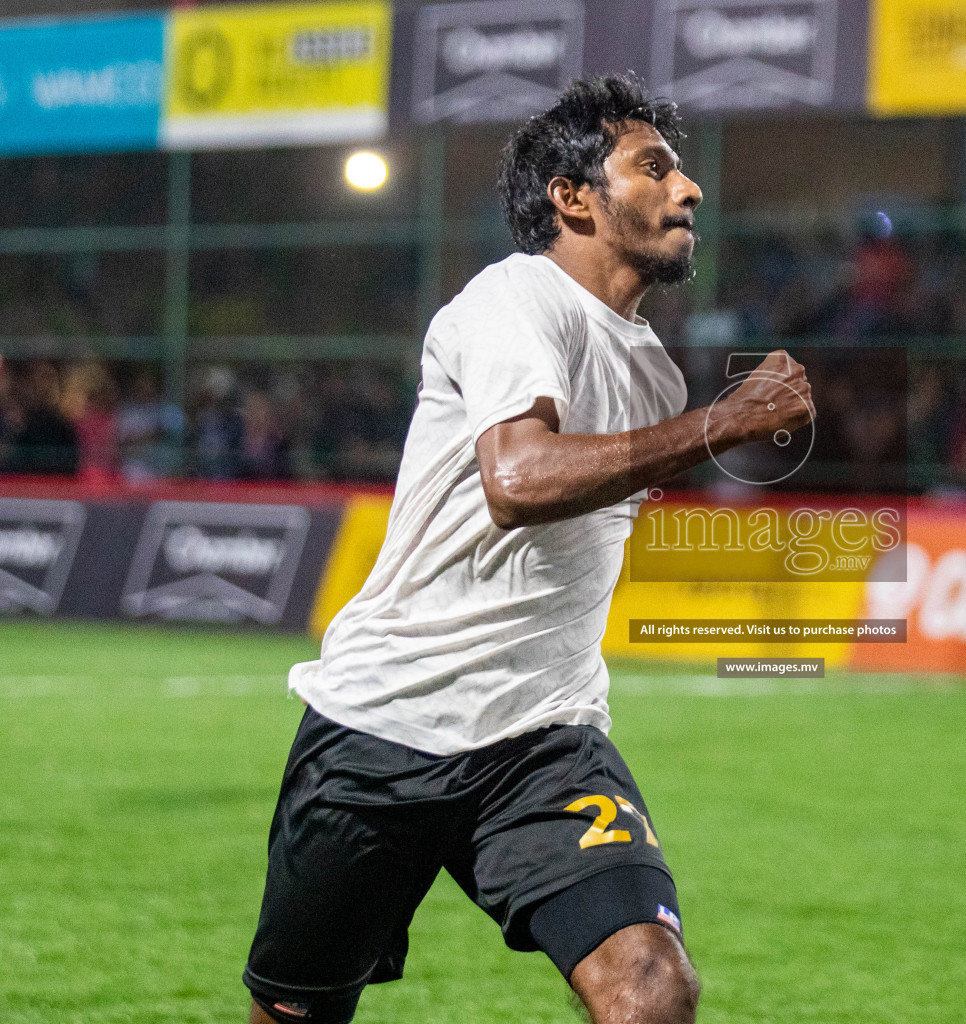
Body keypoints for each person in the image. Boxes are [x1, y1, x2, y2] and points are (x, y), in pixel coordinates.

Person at [242, 75, 814, 1024]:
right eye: (655, 166)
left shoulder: (649, 367)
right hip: (385, 728)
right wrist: (723, 424)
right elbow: (519, 482)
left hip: (541, 743)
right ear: (573, 196)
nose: (691, 190)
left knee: (651, 987)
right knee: (296, 1014)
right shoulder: (513, 300)